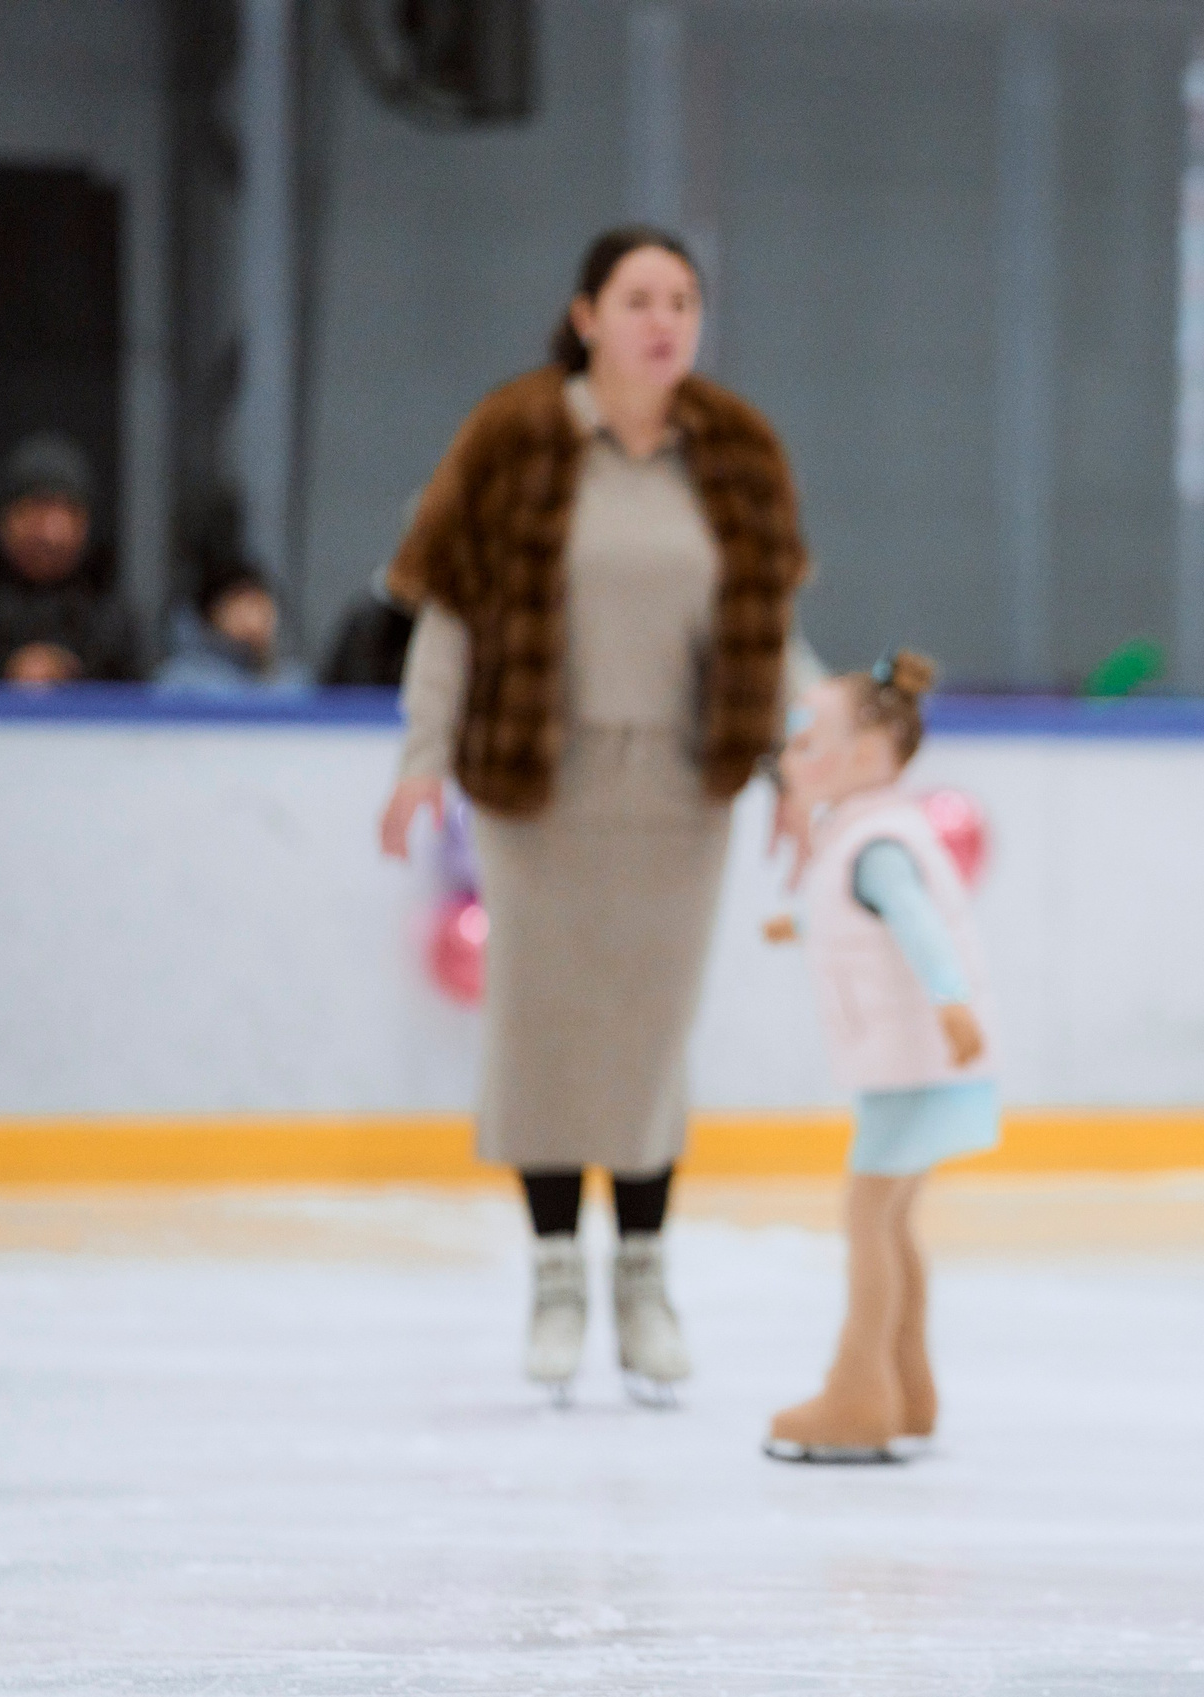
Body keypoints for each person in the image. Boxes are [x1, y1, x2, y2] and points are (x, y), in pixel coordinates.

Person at [379, 224, 812, 1406]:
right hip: (537, 790)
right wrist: (423, 758)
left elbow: (768, 637)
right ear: (585, 317)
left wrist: (804, 768)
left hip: (681, 794)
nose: (662, 319)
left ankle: (643, 1278)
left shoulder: (731, 459)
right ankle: (557, 1278)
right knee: (543, 1027)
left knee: (647, 1032)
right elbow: (451, 619)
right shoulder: (516, 442)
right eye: (637, 297)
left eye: (682, 298)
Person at [759, 651, 997, 1463]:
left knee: (869, 1219)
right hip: (914, 1063)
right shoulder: (867, 834)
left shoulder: (877, 843)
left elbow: (919, 925)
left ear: (860, 757)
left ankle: (861, 1396)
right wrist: (800, 925)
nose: (787, 757)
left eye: (801, 740)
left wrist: (951, 1003)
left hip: (916, 1065)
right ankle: (907, 1391)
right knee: (889, 1223)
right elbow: (859, 916)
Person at [0, 433, 145, 683]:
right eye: (36, 510)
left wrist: (71, 675)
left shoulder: (109, 610)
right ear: (4, 519)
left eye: (68, 513)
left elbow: (133, 702)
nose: (50, 534)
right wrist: (3, 672)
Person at [158, 554, 309, 693]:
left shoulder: (292, 681)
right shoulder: (182, 681)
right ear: (212, 615)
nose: (255, 619)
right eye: (243, 606)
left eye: (260, 606)